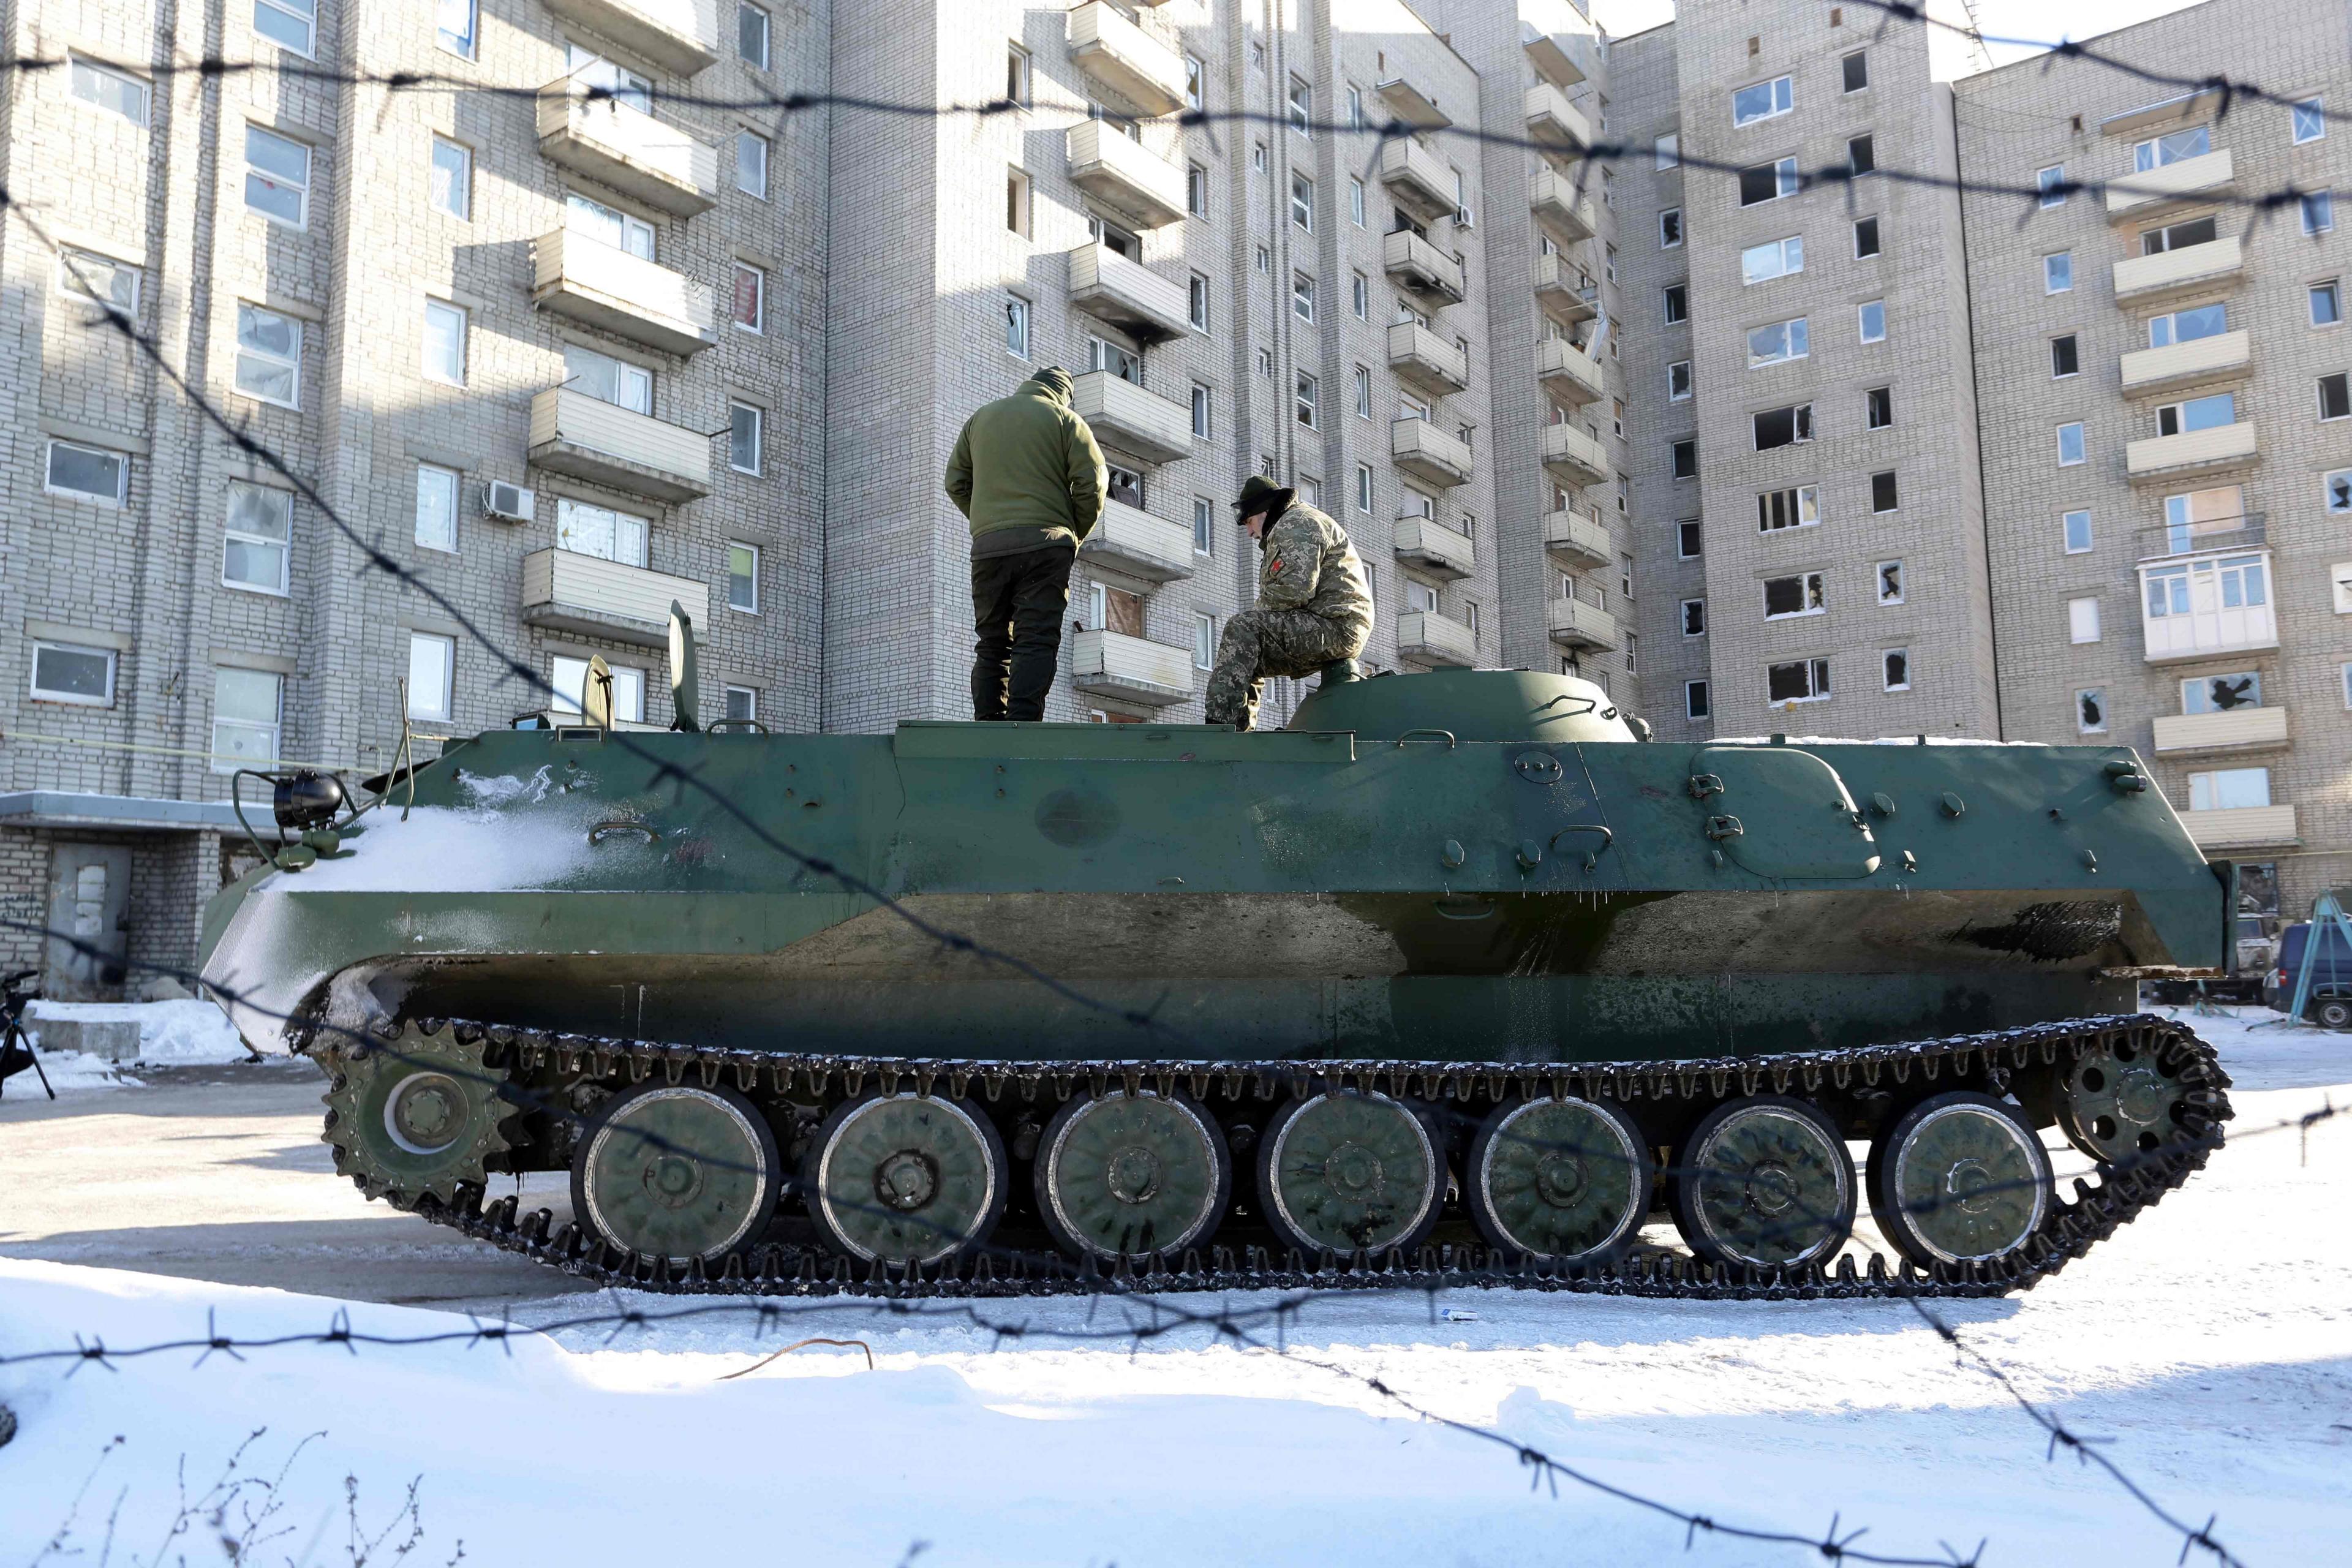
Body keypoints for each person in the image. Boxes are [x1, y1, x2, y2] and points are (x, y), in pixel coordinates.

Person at [945, 367, 1108, 722]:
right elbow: (1092, 483)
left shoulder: (981, 419)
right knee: (1035, 639)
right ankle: (1022, 723)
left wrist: (987, 522)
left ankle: (987, 724)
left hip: (989, 549)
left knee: (992, 644)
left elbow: (955, 482)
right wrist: (1074, 534)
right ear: (1064, 394)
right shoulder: (1066, 420)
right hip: (1045, 547)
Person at [1204, 475, 1374, 731]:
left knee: (1242, 629)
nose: (1250, 532)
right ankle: (1236, 735)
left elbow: (1292, 592)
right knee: (1247, 653)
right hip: (1330, 624)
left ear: (1264, 512)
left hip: (1335, 626)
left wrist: (1251, 625)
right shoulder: (1291, 525)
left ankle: (1217, 729)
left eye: (1249, 522)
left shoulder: (1295, 524)